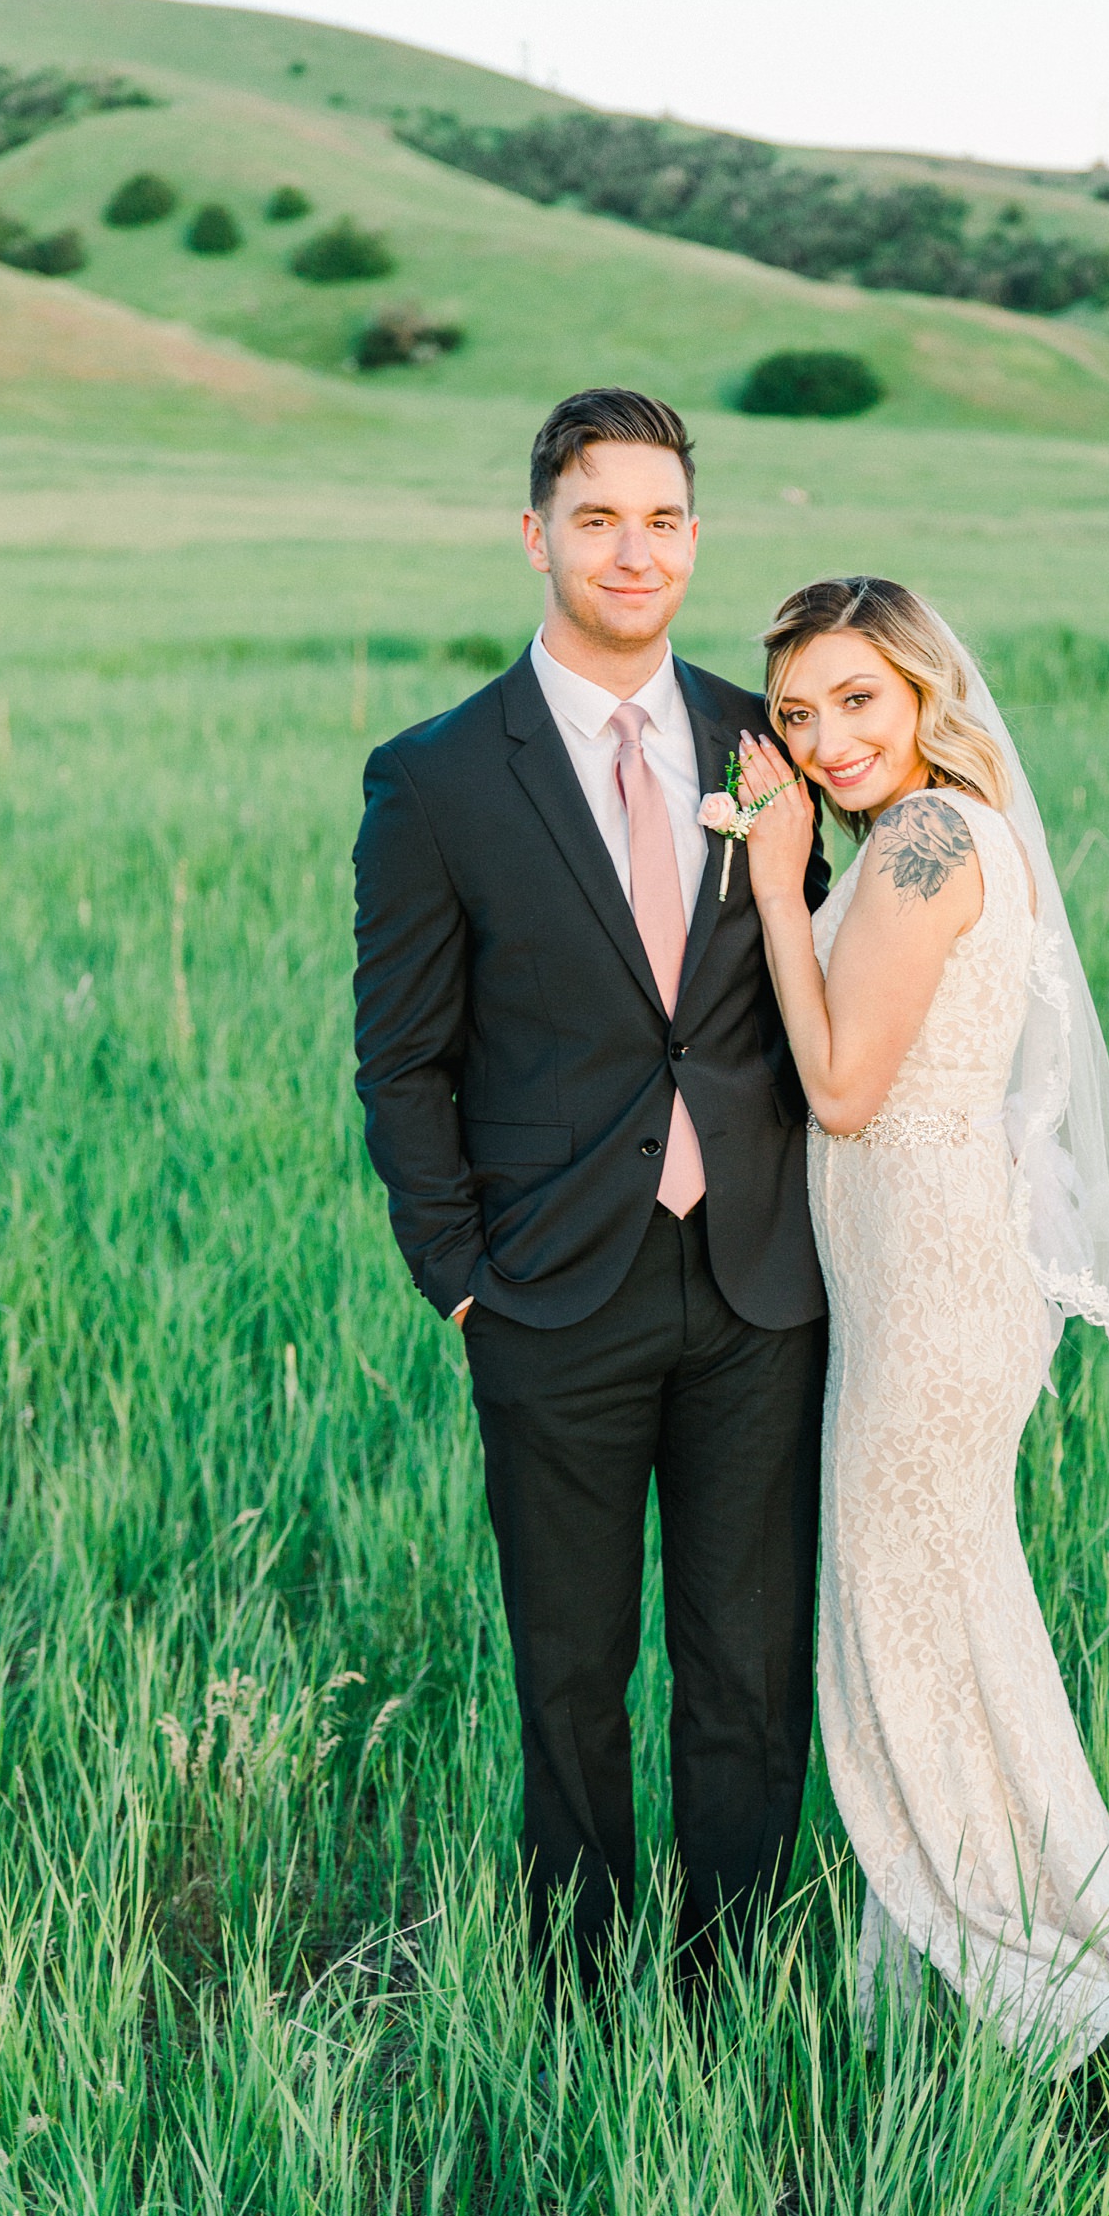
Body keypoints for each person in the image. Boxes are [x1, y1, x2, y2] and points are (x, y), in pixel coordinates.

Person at [738, 575, 1109, 2090]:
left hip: (936, 1294)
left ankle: (1020, 1968)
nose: (827, 740)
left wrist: (780, 885)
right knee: (949, 1620)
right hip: (918, 1285)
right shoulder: (939, 833)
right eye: (795, 715)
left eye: (856, 700)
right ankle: (972, 1952)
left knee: (902, 1622)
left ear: (922, 694)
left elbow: (841, 1091)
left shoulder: (920, 837)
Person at [352, 390, 828, 1992]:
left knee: (749, 1668)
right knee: (570, 1669)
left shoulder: (764, 748)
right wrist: (460, 1276)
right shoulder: (435, 780)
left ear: (698, 539)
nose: (639, 550)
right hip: (550, 1291)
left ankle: (736, 1988)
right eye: (603, 516)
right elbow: (403, 1061)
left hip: (760, 1283)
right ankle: (575, 1994)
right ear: (537, 532)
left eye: (669, 519)